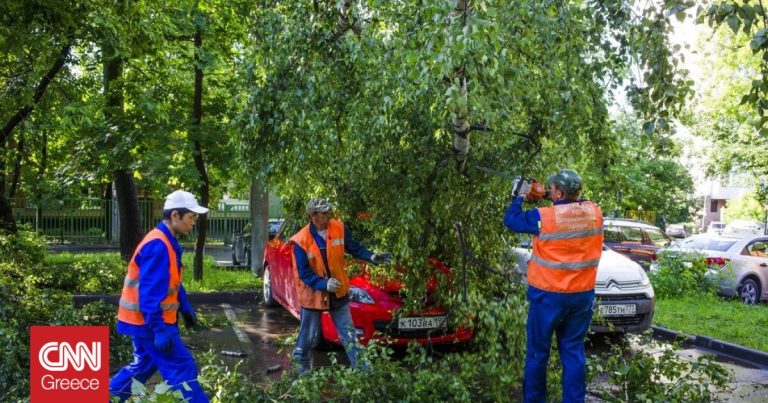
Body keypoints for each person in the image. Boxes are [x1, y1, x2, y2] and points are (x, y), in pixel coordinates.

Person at [503, 169, 603, 403]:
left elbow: (511, 220)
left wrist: (519, 196)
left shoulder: (544, 217)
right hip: (581, 296)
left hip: (548, 296)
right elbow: (573, 204)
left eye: (553, 188)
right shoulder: (595, 213)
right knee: (573, 353)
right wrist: (549, 194)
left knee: (538, 354)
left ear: (558, 191)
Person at [109, 190, 210, 402]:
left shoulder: (166, 241)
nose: (193, 223)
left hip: (142, 321)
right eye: (191, 217)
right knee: (183, 370)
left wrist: (184, 307)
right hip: (151, 323)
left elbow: (171, 282)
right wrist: (159, 330)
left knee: (141, 368)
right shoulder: (159, 245)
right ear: (175, 215)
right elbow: (150, 295)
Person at [291, 198, 391, 375]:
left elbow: (354, 248)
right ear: (313, 216)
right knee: (309, 335)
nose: (328, 217)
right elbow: (304, 273)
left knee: (349, 334)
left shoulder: (338, 228)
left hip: (338, 292)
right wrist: (324, 284)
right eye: (323, 214)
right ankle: (300, 368)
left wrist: (372, 257)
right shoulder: (301, 241)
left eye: (328, 213)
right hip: (313, 295)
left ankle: (363, 371)